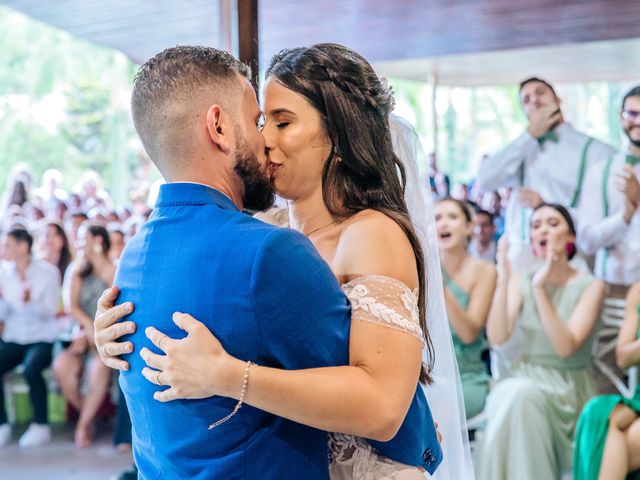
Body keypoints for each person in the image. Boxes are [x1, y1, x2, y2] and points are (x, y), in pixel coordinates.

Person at [92, 45, 443, 480]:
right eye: (261, 123)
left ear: (336, 133)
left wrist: (228, 376)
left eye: (282, 122)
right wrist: (121, 333)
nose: (265, 140)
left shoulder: (369, 233)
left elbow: (384, 403)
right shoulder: (263, 231)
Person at [478, 204, 604, 480]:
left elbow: (566, 347)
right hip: (523, 378)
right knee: (514, 394)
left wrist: (539, 290)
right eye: (536, 225)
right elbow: (498, 337)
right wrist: (503, 277)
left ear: (570, 237)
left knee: (518, 395)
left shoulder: (592, 286)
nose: (542, 230)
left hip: (568, 390)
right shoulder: (519, 281)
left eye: (552, 223)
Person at [476, 77, 614, 274]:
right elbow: (485, 180)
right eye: (526, 99)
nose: (534, 100)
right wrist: (528, 136)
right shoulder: (520, 149)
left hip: (571, 257)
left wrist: (546, 205)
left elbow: (603, 212)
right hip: (522, 260)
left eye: (540, 92)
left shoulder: (594, 150)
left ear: (558, 100)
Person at [578, 85, 640, 395]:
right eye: (632, 113)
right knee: (609, 388)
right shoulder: (600, 172)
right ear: (621, 117)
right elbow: (586, 240)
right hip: (611, 296)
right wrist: (626, 215)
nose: (637, 120)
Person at [52, 224, 115, 447]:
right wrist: (88, 327)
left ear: (98, 240)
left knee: (98, 368)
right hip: (78, 332)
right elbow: (72, 306)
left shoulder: (114, 270)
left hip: (105, 334)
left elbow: (117, 307)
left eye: (83, 238)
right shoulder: (77, 269)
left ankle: (83, 425)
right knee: (62, 366)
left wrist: (98, 332)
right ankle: (88, 415)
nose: (78, 243)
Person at [435, 198, 496, 419]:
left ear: (469, 227)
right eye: (437, 218)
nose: (443, 224)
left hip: (468, 377)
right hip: (429, 374)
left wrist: (439, 287)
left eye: (452, 217)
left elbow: (469, 333)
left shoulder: (485, 271)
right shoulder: (420, 267)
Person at [0, 227, 61, 448]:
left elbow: (50, 311)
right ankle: (2, 424)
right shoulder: (3, 273)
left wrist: (30, 299)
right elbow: (3, 314)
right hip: (14, 337)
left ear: (23, 246)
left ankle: (41, 425)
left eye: (7, 244)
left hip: (41, 338)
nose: (3, 249)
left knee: (31, 368)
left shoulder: (48, 273)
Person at [573, 282, 640, 480]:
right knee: (595, 411)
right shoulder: (637, 291)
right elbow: (622, 357)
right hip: (637, 398)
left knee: (608, 446)